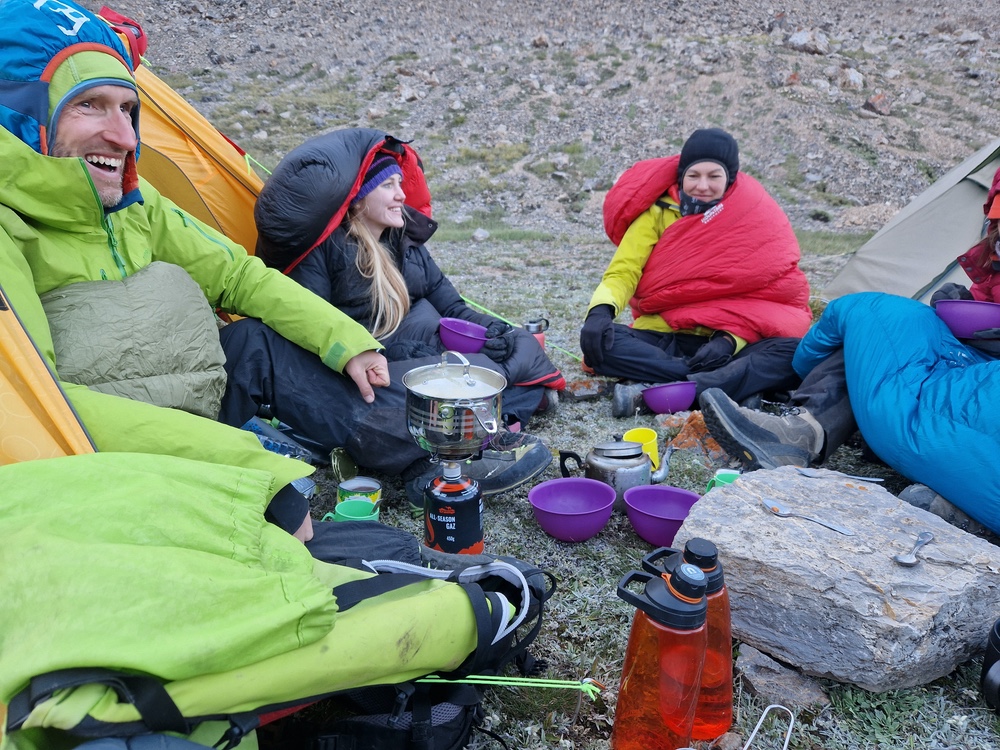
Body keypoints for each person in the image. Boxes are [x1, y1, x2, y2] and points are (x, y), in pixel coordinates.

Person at [0, 0, 399, 543]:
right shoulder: (8, 229)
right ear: (24, 119)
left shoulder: (134, 202)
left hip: (193, 395)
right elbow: (44, 406)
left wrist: (347, 341)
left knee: (258, 342)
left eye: (128, 110)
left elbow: (237, 276)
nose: (125, 137)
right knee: (340, 552)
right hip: (117, 449)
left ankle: (419, 451)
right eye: (89, 105)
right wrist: (245, 463)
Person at [254, 128, 562, 509]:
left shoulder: (407, 243)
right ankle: (455, 449)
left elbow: (453, 307)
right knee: (474, 375)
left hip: (429, 353)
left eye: (401, 183)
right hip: (376, 371)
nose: (402, 194)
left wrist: (493, 331)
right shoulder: (328, 251)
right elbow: (315, 334)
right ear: (358, 199)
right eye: (388, 186)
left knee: (516, 347)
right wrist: (395, 351)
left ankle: (470, 434)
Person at [579, 128, 813, 417]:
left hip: (726, 341)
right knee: (601, 343)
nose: (702, 186)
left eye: (714, 176)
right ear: (681, 176)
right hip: (665, 336)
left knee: (796, 353)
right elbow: (624, 271)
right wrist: (600, 311)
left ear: (730, 178)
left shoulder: (751, 217)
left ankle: (669, 390)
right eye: (693, 175)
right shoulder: (657, 213)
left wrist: (729, 341)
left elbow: (763, 295)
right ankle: (719, 386)